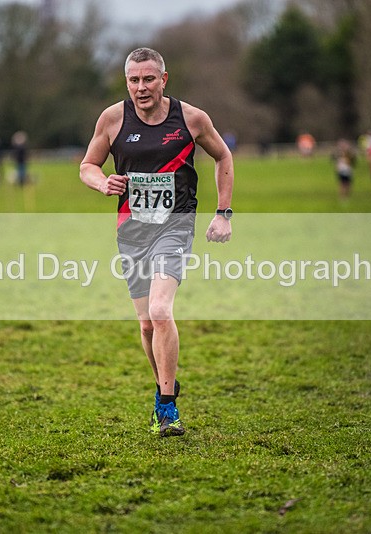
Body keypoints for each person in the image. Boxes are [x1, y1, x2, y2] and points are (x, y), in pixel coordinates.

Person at [79, 47, 234, 437]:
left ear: (164, 80)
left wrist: (223, 212)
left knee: (161, 310)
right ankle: (164, 387)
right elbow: (87, 166)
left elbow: (223, 157)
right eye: (134, 80)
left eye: (149, 79)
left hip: (175, 225)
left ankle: (166, 407)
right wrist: (103, 183)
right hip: (131, 230)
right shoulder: (113, 119)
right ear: (126, 82)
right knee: (147, 324)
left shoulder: (192, 119)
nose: (141, 87)